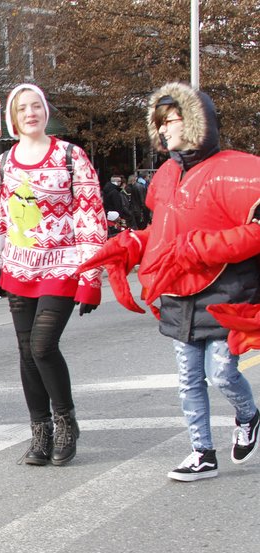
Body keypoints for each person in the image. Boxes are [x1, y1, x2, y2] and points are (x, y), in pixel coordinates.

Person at [78, 82, 260, 482]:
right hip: (179, 292)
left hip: (227, 292)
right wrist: (133, 245)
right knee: (188, 379)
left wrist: (204, 248)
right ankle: (202, 452)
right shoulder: (164, 175)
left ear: (195, 122)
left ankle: (248, 415)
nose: (163, 130)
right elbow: (163, 231)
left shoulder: (243, 170)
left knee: (222, 373)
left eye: (171, 120)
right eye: (159, 124)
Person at [0, 83, 106, 467]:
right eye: (22, 109)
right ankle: (40, 431)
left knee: (42, 346)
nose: (30, 113)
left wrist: (91, 278)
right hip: (19, 266)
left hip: (63, 265)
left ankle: (66, 423)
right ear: (13, 119)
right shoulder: (4, 164)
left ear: (46, 112)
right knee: (26, 353)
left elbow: (90, 217)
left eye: (36, 106)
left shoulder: (71, 156)